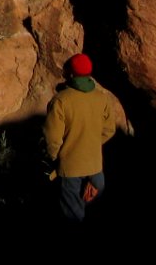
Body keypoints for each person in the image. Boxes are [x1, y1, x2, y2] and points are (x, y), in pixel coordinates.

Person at [43, 53, 117, 223]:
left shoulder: (61, 101)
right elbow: (109, 129)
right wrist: (90, 144)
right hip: (96, 168)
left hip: (70, 168)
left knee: (73, 216)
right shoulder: (102, 98)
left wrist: (56, 157)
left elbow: (52, 138)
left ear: (70, 74)